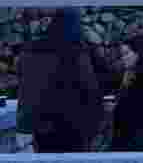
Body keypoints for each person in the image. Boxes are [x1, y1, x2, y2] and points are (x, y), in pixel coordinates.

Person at [19, 8, 103, 153]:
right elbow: (91, 89)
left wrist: (25, 125)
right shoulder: (81, 52)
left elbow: (29, 90)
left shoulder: (36, 50)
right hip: (75, 127)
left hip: (45, 126)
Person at [110, 36, 143, 151]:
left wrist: (119, 106)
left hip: (137, 143)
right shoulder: (129, 75)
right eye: (122, 54)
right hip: (124, 139)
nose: (123, 58)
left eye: (127, 53)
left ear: (139, 54)